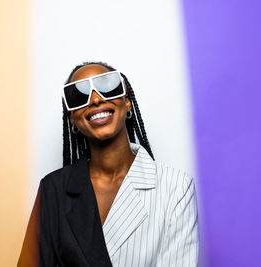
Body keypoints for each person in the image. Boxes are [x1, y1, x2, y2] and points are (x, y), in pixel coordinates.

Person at [18, 62, 198, 267]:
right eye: (79, 95)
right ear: (72, 121)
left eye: (107, 86)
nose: (95, 99)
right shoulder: (54, 189)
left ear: (127, 103)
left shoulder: (176, 187)